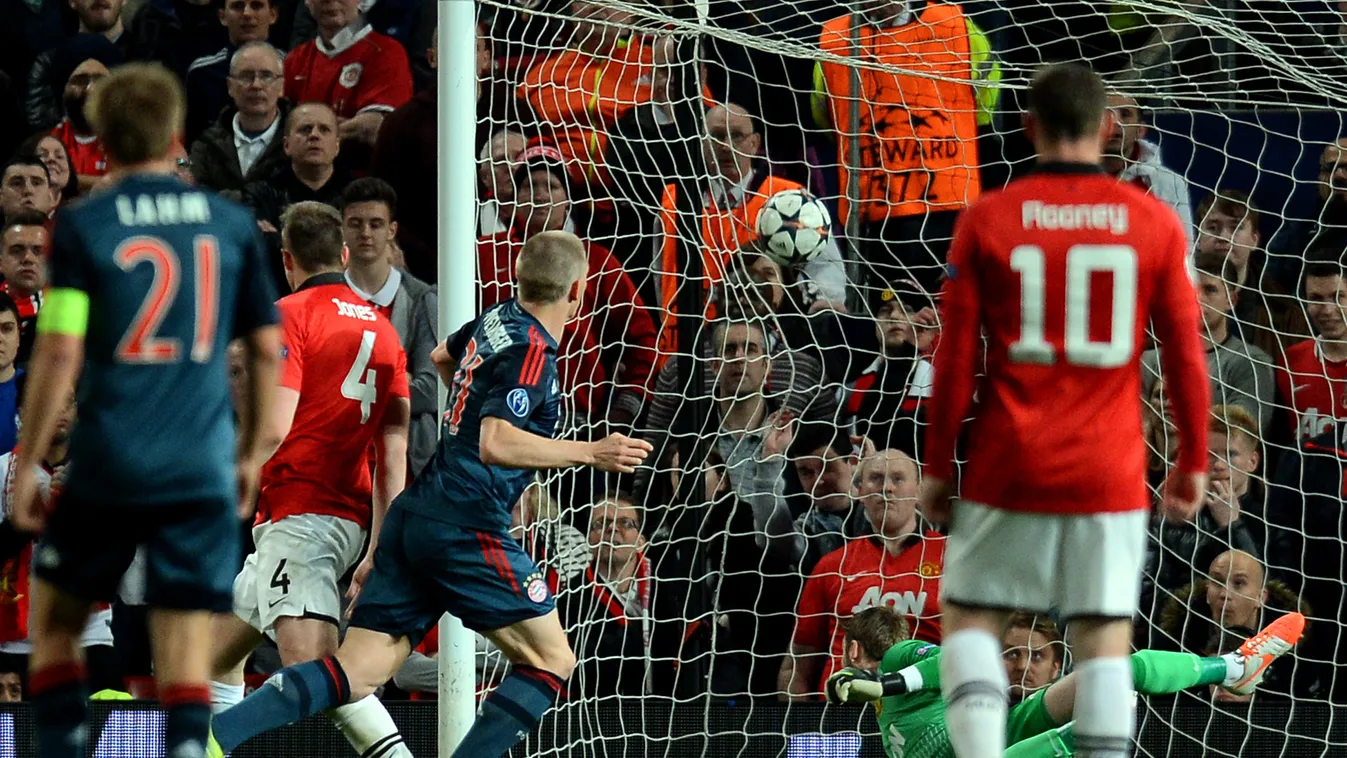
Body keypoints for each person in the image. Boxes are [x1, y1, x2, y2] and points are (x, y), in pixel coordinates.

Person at [207, 230, 653, 758]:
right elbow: (495, 440)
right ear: (578, 291)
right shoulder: (532, 351)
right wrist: (591, 452)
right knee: (553, 661)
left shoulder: (495, 321)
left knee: (355, 674)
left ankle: (214, 737)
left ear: (518, 276)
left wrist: (460, 428)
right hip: (468, 524)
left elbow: (445, 357)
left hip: (419, 513)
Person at [919, 62, 1211, 758]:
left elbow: (955, 358)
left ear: (1027, 128)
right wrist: (1192, 461)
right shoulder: (1151, 221)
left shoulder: (987, 217)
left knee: (969, 616)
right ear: (1107, 128)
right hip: (1106, 466)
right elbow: (1182, 356)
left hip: (1007, 460)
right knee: (1102, 636)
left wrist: (937, 468)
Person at [7, 63, 281, 758]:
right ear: (175, 133)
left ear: (99, 135)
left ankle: (64, 748)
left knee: (59, 621)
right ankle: (186, 751)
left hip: (108, 461)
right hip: (198, 464)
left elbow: (60, 351)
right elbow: (262, 354)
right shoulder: (228, 223)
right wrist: (249, 454)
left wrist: (29, 463)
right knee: (184, 644)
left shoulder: (82, 225)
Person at [208, 201, 412, 757]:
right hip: (343, 514)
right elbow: (394, 453)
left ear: (286, 258)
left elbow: (274, 427)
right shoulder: (385, 330)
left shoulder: (288, 315)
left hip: (301, 512)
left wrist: (234, 478)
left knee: (319, 670)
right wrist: (379, 544)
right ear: (344, 255)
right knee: (213, 660)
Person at [824, 605, 1305, 758]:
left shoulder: (899, 655)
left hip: (1001, 734)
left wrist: (883, 683)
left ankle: (1235, 668)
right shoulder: (862, 695)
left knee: (1115, 670)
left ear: (851, 648)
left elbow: (949, 662)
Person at [340, 178, 438, 477]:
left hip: (406, 462)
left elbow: (431, 391)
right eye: (355, 223)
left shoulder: (422, 299)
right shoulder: (324, 297)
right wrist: (395, 379)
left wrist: (352, 386)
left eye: (376, 224)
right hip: (339, 458)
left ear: (392, 230)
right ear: (341, 229)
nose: (365, 233)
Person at [189, 41, 290, 194]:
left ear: (282, 86)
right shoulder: (206, 144)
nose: (256, 85)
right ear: (230, 86)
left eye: (266, 76)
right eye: (246, 76)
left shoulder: (297, 141)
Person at [0, 209, 49, 366]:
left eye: (38, 251)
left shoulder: (69, 315)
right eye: (17, 250)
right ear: (1, 262)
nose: (28, 258)